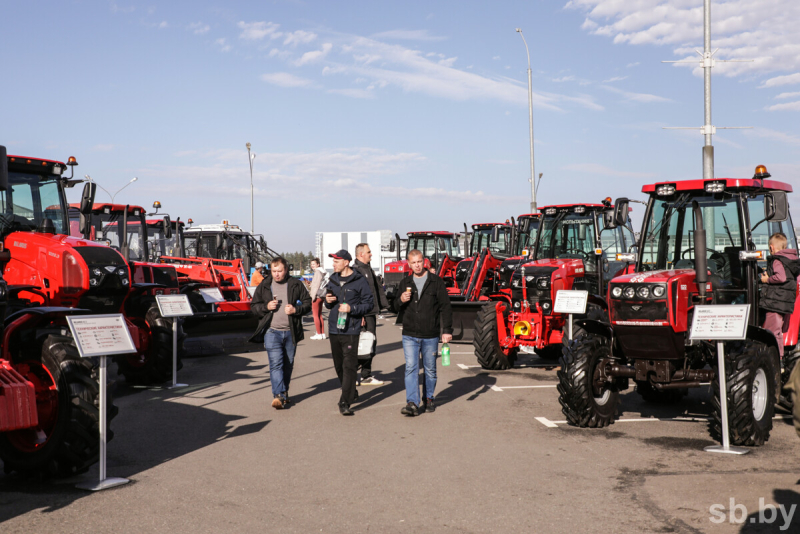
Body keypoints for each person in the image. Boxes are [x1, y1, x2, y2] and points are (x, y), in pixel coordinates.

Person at [393, 249, 453, 416]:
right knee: (411, 368)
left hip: (430, 334)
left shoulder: (436, 282)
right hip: (410, 334)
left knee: (430, 369)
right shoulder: (405, 282)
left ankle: (429, 398)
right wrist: (401, 300)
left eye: (419, 261)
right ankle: (412, 402)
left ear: (424, 261)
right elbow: (394, 307)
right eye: (413, 263)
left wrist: (446, 331)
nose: (417, 265)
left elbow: (445, 307)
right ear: (409, 264)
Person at [248, 257, 312, 409]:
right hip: (272, 331)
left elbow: (308, 302)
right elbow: (254, 306)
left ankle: (284, 392)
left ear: (286, 270)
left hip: (291, 332)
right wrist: (266, 307)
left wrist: (296, 310)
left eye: (279, 271)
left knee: (288, 365)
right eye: (274, 271)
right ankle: (278, 395)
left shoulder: (296, 284)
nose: (276, 274)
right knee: (276, 364)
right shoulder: (265, 285)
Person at [324, 249, 374, 416]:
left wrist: (352, 308)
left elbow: (369, 304)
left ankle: (345, 402)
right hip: (334, 328)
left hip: (351, 329)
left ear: (346, 262)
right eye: (333, 261)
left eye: (336, 261)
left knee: (349, 366)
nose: (333, 264)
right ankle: (351, 390)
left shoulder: (359, 280)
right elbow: (329, 302)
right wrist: (327, 301)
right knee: (339, 366)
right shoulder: (332, 280)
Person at [352, 243, 389, 385]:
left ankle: (365, 375)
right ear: (361, 254)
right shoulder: (356, 271)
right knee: (363, 344)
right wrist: (359, 315)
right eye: (369, 252)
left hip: (370, 313)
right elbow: (356, 295)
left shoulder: (367, 268)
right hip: (363, 314)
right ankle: (355, 374)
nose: (371, 254)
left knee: (370, 343)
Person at [759, 233, 799, 357]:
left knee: (771, 332)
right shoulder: (790, 261)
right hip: (784, 302)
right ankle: (779, 357)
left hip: (775, 302)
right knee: (778, 332)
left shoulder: (777, 260)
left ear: (771, 247)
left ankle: (773, 358)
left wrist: (767, 279)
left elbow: (781, 277)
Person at [308, 258, 328, 340]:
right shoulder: (322, 272)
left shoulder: (317, 272)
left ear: (318, 264)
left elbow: (316, 286)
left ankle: (318, 333)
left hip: (317, 296)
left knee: (315, 315)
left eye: (313, 264)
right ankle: (322, 333)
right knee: (319, 315)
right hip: (322, 295)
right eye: (311, 264)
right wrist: (311, 284)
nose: (312, 265)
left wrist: (313, 296)